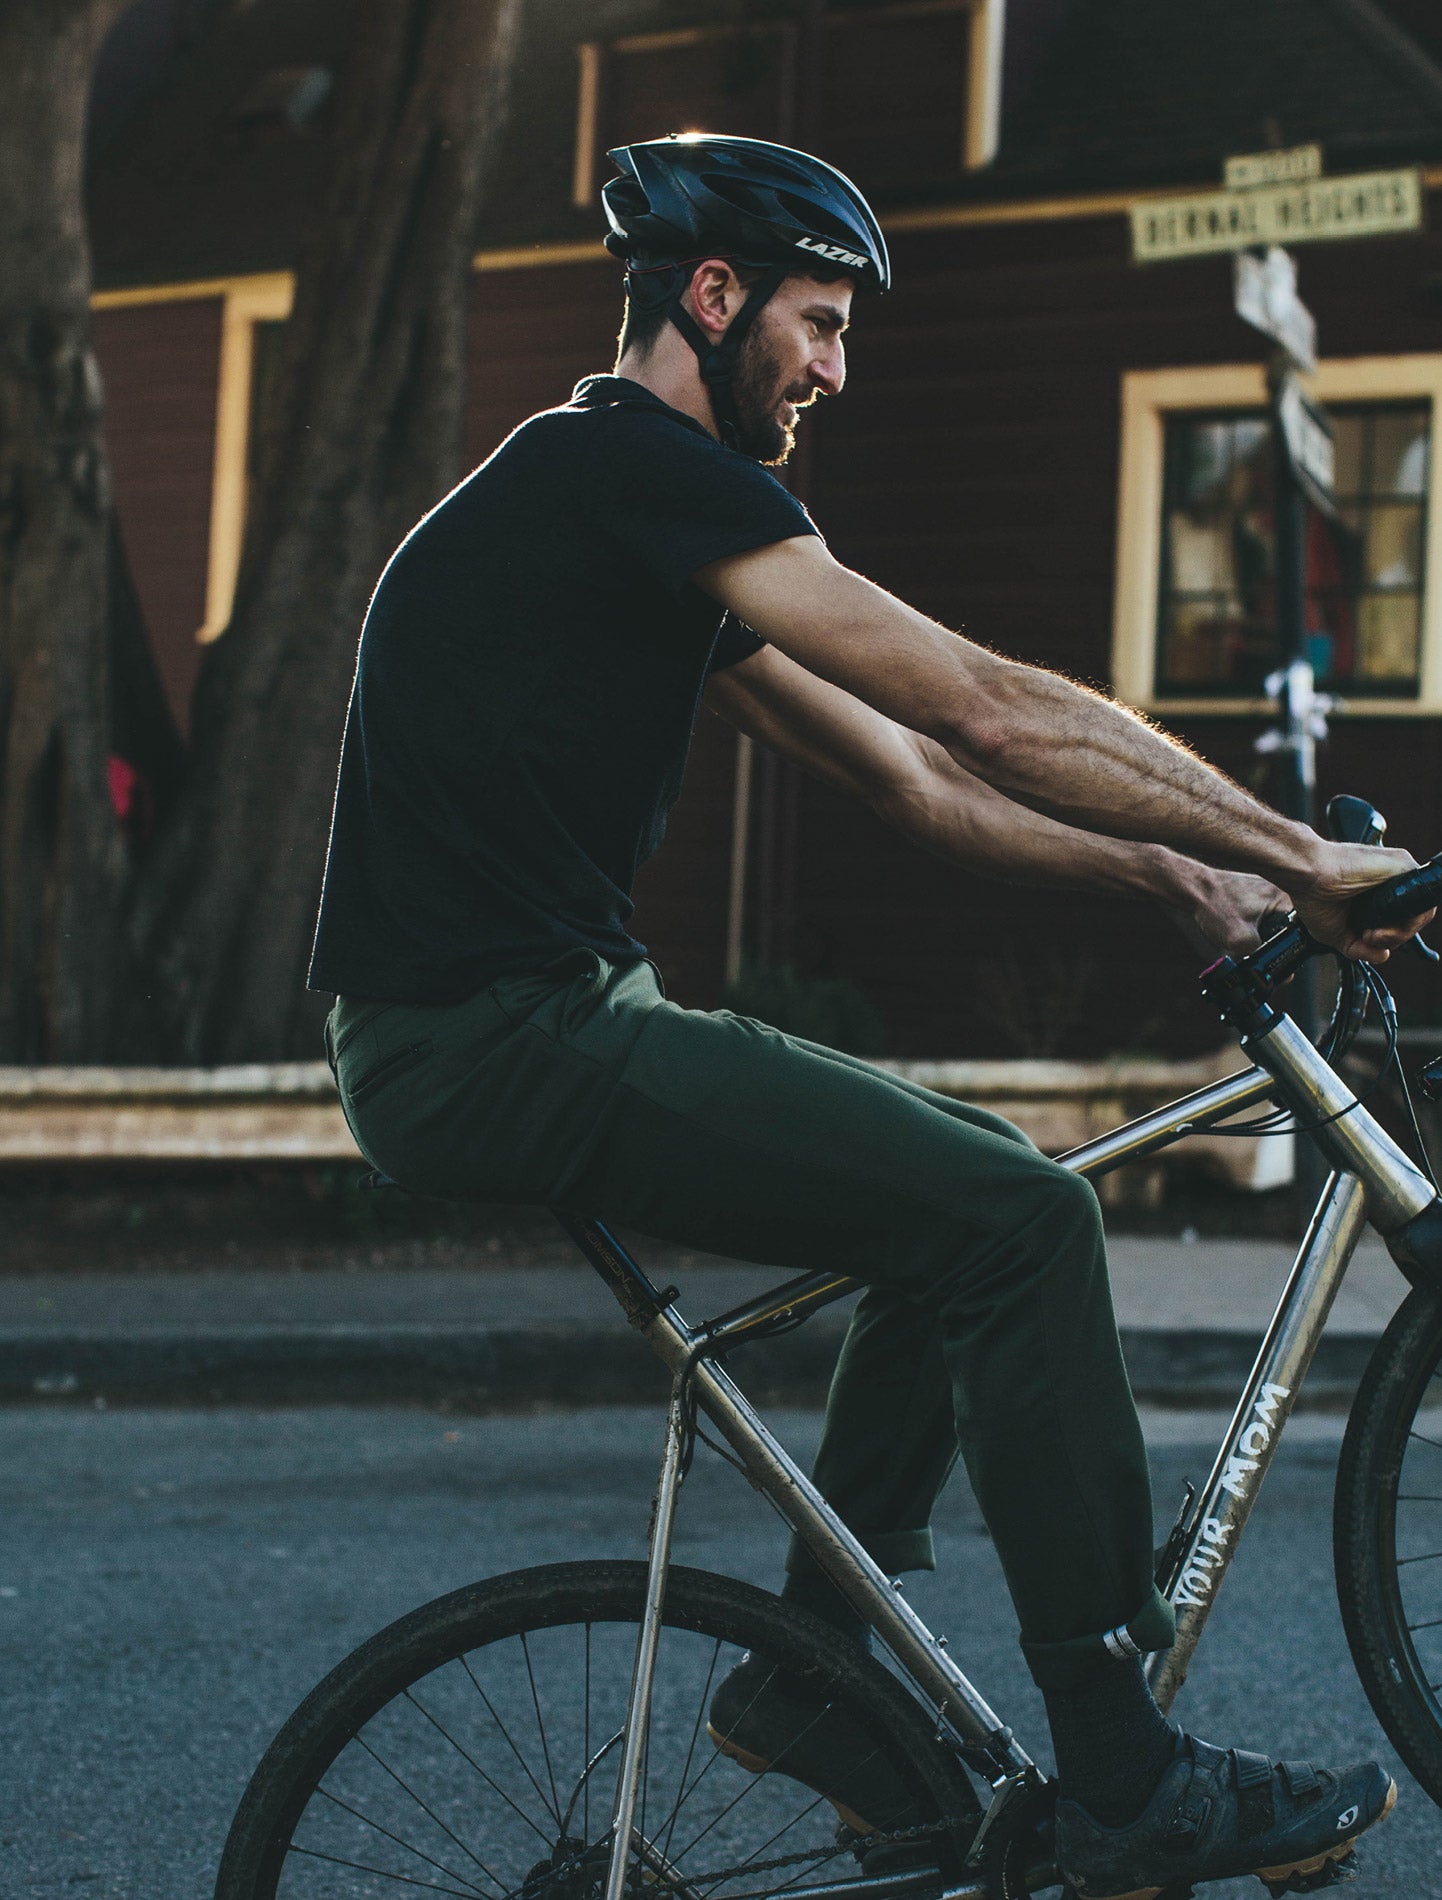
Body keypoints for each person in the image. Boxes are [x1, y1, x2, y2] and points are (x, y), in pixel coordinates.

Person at [309, 135, 1427, 1899]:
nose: (834, 367)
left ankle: (818, 1682)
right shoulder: (633, 471)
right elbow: (980, 704)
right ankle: (1123, 1768)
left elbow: (917, 779)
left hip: (513, 1022)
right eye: (818, 323)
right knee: (1026, 1216)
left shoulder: (624, 517)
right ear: (710, 296)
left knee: (958, 1195)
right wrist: (1297, 854)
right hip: (497, 1035)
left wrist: (1170, 876)